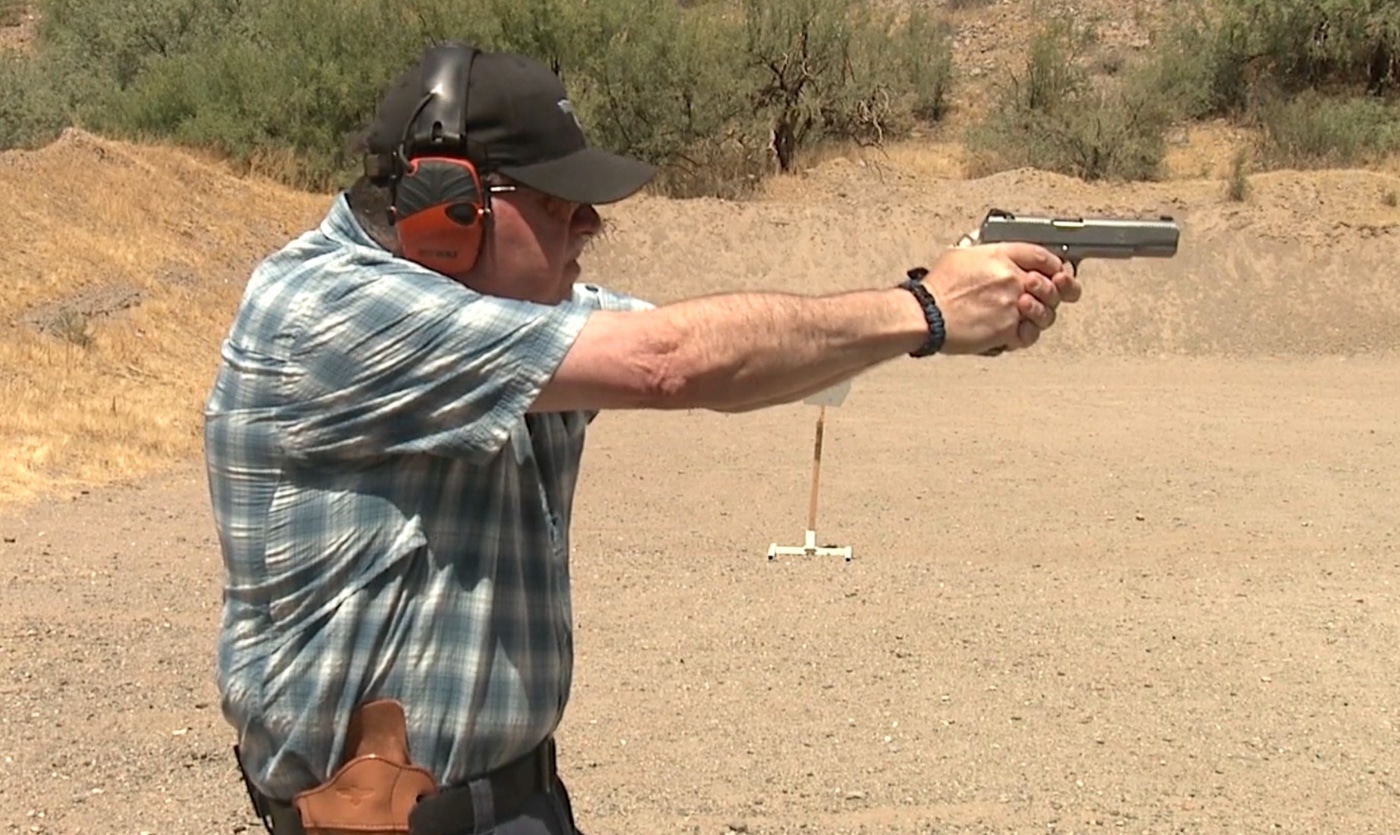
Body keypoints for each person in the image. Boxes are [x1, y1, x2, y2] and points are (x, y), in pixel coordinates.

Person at [203, 42, 1082, 835]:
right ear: (448, 206)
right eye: (559, 205)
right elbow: (671, 361)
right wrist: (925, 310)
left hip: (518, 802)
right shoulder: (325, 308)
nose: (591, 227)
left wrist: (940, 318)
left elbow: (730, 362)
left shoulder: (516, 316)